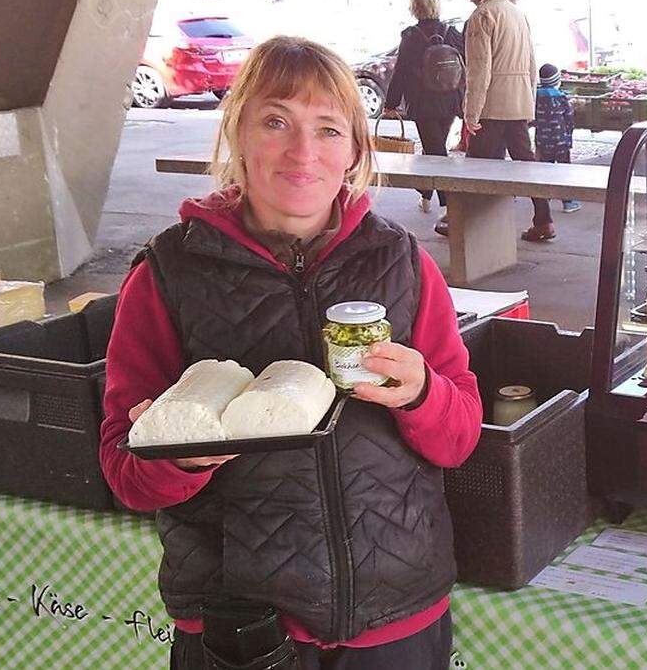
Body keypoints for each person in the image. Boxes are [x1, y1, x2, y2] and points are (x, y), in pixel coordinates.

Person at [98, 36, 482, 669]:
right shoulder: (168, 274)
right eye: (276, 121)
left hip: (396, 617)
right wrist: (182, 457)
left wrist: (422, 395)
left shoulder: (404, 266)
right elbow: (124, 473)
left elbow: (460, 438)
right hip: (243, 626)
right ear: (238, 133)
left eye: (328, 129)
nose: (303, 152)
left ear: (356, 151)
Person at [461, 0, 558, 242]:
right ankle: (544, 220)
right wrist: (528, 102)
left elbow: (479, 69)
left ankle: (471, 227)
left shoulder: (483, 15)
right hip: (518, 101)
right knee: (526, 165)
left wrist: (471, 113)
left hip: (492, 104)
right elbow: (531, 63)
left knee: (478, 167)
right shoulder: (517, 13)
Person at [383, 0, 465, 226]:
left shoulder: (411, 37)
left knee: (436, 152)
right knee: (435, 149)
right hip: (449, 99)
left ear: (415, 8)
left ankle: (449, 207)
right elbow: (464, 65)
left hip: (423, 103)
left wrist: (391, 103)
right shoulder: (452, 32)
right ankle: (426, 195)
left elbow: (400, 72)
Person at [532, 63, 580, 216]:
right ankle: (568, 202)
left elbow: (532, 118)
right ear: (556, 81)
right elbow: (569, 119)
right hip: (561, 141)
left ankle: (544, 200)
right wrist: (569, 137)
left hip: (543, 141)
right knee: (564, 171)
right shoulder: (561, 97)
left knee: (546, 171)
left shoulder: (535, 96)